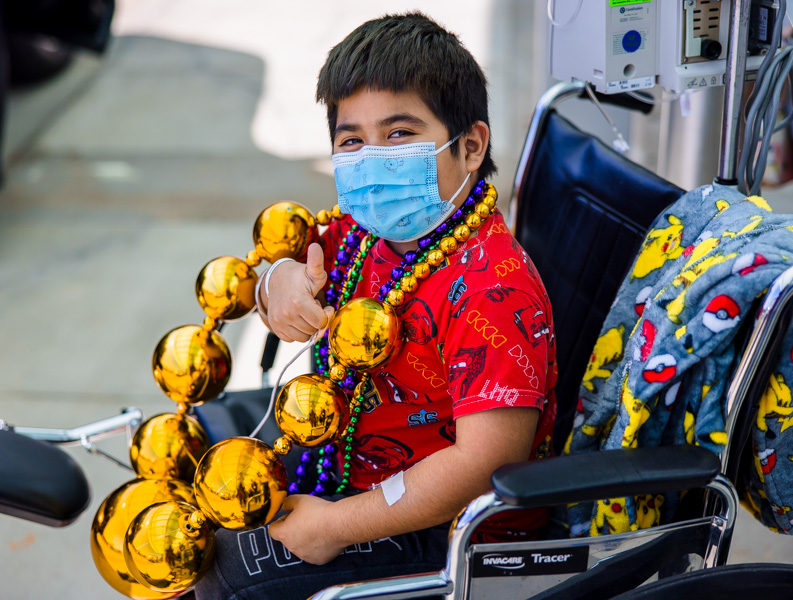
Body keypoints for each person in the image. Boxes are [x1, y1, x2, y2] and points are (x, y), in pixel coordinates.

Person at [194, 12, 556, 600]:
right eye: (352, 140)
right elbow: (285, 262)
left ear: (469, 146)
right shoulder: (368, 235)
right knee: (199, 474)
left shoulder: (493, 288)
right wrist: (278, 281)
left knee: (229, 568)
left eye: (399, 133)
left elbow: (485, 466)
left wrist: (337, 525)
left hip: (447, 523)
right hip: (348, 454)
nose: (373, 159)